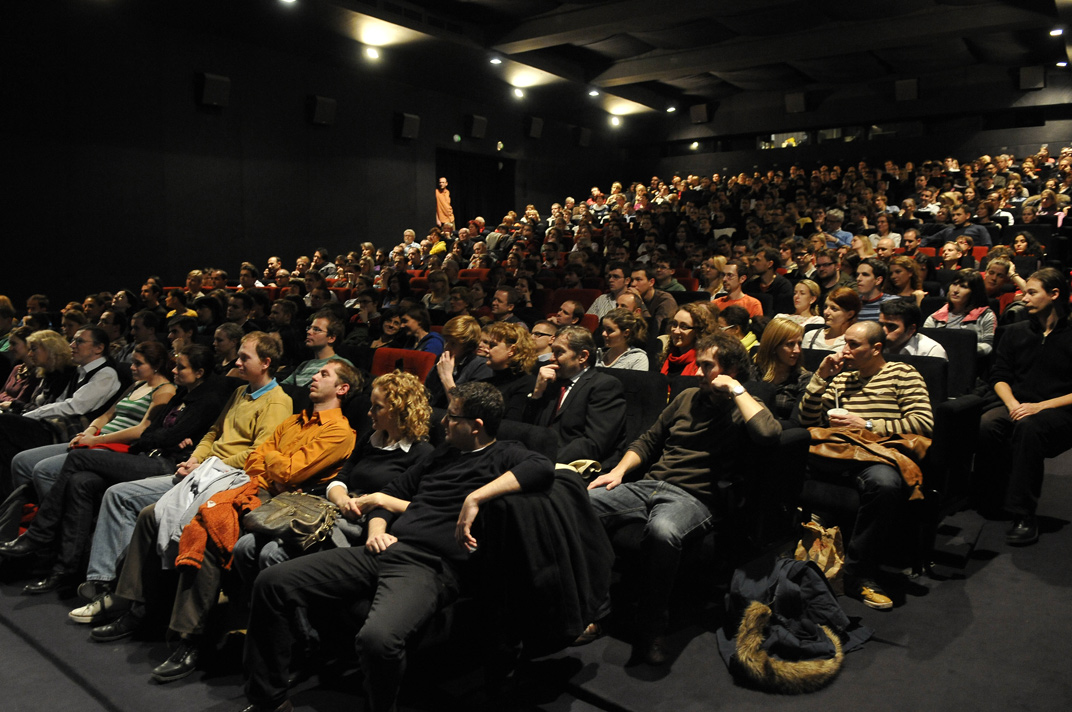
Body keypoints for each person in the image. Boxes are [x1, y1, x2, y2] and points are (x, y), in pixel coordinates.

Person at [242, 381, 554, 712]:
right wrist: (377, 529)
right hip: (385, 549)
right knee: (272, 582)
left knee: (377, 640)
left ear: (476, 426)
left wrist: (476, 496)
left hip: (431, 566)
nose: (444, 422)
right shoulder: (441, 455)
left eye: (452, 416)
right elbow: (392, 493)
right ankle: (270, 701)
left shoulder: (505, 453)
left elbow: (543, 468)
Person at [83, 359, 358, 683]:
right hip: (244, 482)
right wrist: (272, 462)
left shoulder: (340, 431)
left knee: (211, 531)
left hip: (278, 502)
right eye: (316, 371)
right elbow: (260, 457)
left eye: (324, 374)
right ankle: (135, 608)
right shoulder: (296, 420)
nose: (314, 376)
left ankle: (190, 640)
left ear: (342, 388)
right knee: (151, 514)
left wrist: (271, 461)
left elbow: (289, 474)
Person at [66, 333, 293, 618]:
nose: (237, 362)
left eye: (245, 357)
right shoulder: (240, 392)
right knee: (114, 493)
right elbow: (213, 432)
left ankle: (111, 589)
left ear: (266, 363)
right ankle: (107, 585)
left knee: (123, 497)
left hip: (230, 478)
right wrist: (197, 458)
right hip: (205, 469)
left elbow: (258, 454)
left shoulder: (276, 402)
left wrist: (206, 464)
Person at [586, 332, 779, 664]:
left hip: (693, 499)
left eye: (707, 366)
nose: (698, 371)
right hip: (648, 485)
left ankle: (651, 627)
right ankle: (598, 610)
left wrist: (735, 387)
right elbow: (648, 440)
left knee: (664, 531)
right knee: (578, 502)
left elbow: (768, 433)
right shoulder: (687, 396)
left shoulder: (745, 406)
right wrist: (618, 472)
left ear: (730, 369)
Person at [0, 346, 229, 596]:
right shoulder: (183, 394)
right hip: (147, 454)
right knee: (80, 482)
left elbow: (160, 435)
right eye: (174, 365)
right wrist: (161, 438)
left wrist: (162, 439)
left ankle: (40, 536)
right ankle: (64, 570)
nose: (174, 370)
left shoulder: (206, 399)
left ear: (199, 372)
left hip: (165, 464)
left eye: (181, 367)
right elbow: (154, 432)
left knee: (77, 460)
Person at [234, 370, 435, 590]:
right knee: (244, 546)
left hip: (364, 523)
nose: (369, 413)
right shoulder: (371, 439)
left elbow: (421, 507)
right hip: (333, 509)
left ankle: (281, 618)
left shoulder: (422, 453)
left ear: (399, 411)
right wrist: (342, 500)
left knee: (272, 554)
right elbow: (341, 479)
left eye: (377, 407)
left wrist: (374, 501)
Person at [799, 322, 933, 610]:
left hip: (876, 454)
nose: (844, 350)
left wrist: (867, 424)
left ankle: (858, 574)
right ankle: (789, 555)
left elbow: (923, 423)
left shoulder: (903, 374)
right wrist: (820, 378)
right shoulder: (839, 380)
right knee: (782, 455)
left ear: (876, 349)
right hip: (836, 451)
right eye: (844, 342)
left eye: (853, 344)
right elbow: (807, 421)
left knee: (884, 484)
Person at [975, 268, 1072, 546]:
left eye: (1032, 292)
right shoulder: (1014, 332)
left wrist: (1039, 406)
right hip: (1016, 403)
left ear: (1054, 294)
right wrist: (1014, 403)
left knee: (1028, 428)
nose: (1023, 297)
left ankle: (1024, 514)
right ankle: (992, 497)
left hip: (1059, 410)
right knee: (987, 423)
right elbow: (999, 377)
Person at [11, 342, 175, 502]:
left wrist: (97, 439)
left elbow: (142, 429)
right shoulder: (137, 385)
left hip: (117, 446)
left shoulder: (165, 390)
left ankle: (50, 520)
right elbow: (106, 415)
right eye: (132, 362)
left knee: (44, 470)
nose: (132, 367)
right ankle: (24, 512)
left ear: (156, 365)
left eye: (138, 363)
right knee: (22, 461)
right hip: (97, 438)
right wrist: (89, 431)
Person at [0, 326, 122, 499]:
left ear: (99, 348)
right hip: (57, 425)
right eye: (73, 340)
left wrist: (29, 415)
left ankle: (15, 501)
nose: (72, 345)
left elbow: (74, 407)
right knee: (6, 443)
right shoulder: (80, 371)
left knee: (5, 423)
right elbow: (59, 403)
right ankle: (11, 501)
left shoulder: (106, 374)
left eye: (79, 341)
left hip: (72, 432)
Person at [523, 325, 626, 464]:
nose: (551, 358)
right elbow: (528, 428)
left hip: (573, 466)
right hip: (537, 460)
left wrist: (546, 461)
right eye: (552, 351)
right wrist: (537, 393)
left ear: (582, 356)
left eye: (559, 352)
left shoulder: (604, 386)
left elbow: (593, 444)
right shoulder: (551, 382)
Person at [923, 270, 997, 356]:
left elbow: (989, 346)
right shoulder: (935, 317)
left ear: (974, 292)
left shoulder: (985, 315)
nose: (956, 290)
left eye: (963, 286)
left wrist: (961, 349)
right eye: (954, 284)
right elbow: (924, 344)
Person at [754, 317, 810, 426]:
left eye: (799, 343)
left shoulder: (803, 378)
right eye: (790, 344)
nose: (797, 350)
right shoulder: (753, 372)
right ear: (774, 346)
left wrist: (766, 426)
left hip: (783, 435)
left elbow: (795, 423)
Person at [426, 315, 492, 408]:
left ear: (468, 346)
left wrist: (446, 377)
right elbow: (427, 396)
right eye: (446, 341)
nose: (446, 347)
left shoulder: (481, 367)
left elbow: (462, 409)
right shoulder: (441, 359)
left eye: (453, 343)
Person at [476, 322, 537, 420]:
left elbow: (511, 424)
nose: (487, 350)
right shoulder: (485, 381)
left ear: (511, 350)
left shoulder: (526, 383)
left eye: (492, 345)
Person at [280, 311, 352, 387]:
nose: (309, 332)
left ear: (331, 338)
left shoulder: (342, 365)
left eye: (317, 329)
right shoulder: (304, 365)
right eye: (309, 328)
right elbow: (283, 388)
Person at [659, 303, 717, 376]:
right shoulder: (667, 356)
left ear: (697, 331)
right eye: (674, 324)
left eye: (684, 327)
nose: (676, 331)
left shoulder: (703, 363)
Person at [879, 299, 948, 359]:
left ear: (911, 329)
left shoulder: (931, 351)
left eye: (891, 326)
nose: (883, 331)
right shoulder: (874, 345)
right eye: (881, 325)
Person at [802, 287, 861, 352]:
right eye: (825, 307)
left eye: (834, 308)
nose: (826, 312)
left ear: (850, 314)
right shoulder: (811, 336)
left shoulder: (854, 341)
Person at [629, 265, 678, 334]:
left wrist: (640, 302)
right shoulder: (631, 298)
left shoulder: (666, 300)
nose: (633, 284)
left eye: (638, 279)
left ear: (651, 282)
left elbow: (655, 330)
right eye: (632, 280)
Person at [744, 247, 793, 315]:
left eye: (757, 260)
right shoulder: (750, 284)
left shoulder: (783, 286)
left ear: (770, 264)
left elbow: (783, 313)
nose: (753, 264)